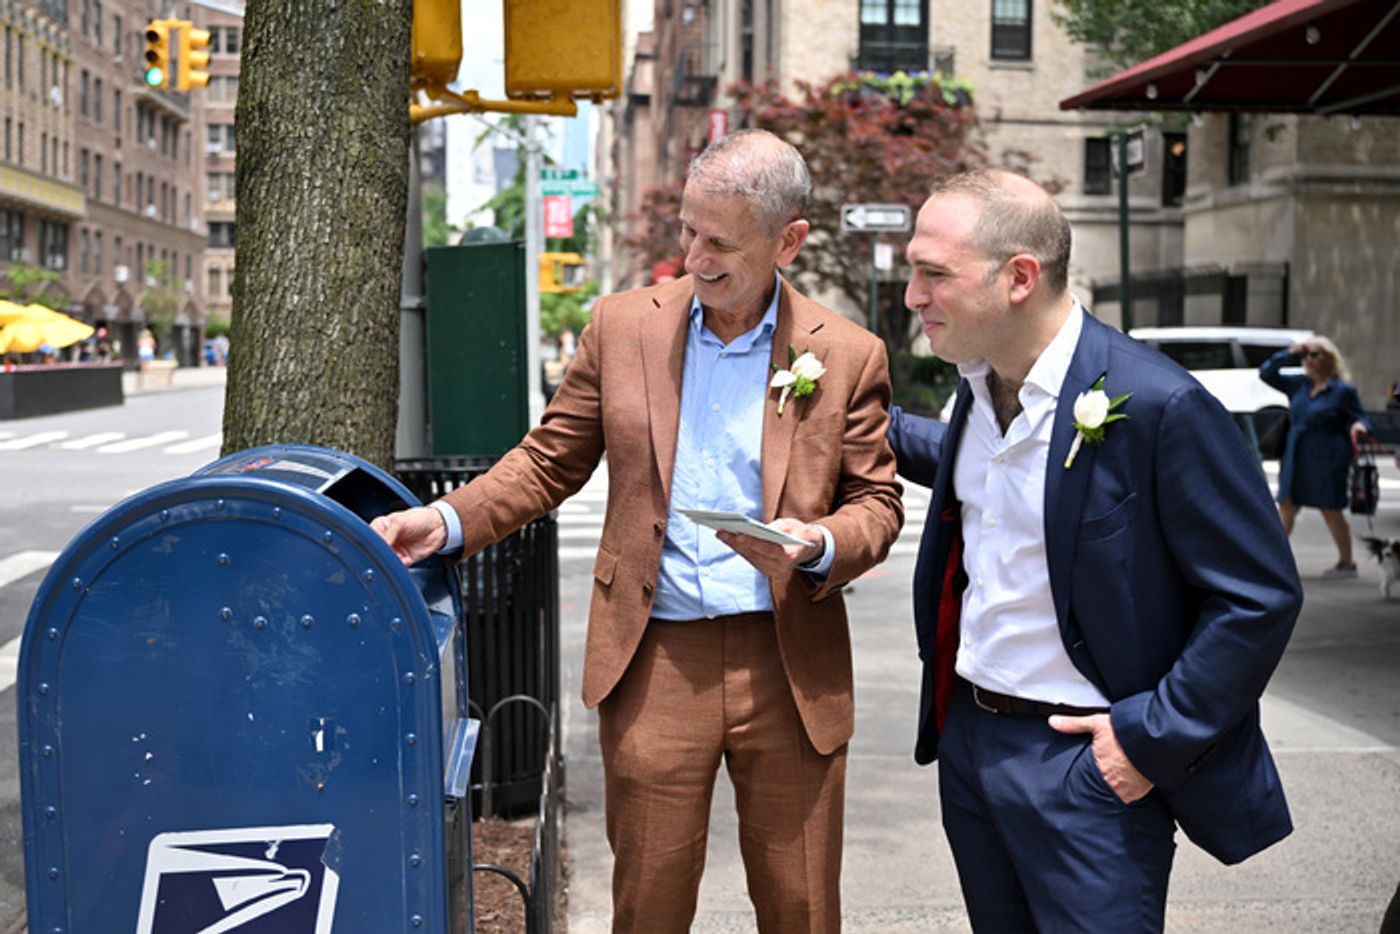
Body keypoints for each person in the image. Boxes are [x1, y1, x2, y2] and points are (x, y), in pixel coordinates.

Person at [372, 129, 903, 933]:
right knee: (649, 904)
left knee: (801, 906)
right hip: (656, 658)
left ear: (788, 240)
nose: (694, 255)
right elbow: (547, 462)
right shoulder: (623, 328)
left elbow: (878, 501)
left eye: (719, 240)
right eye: (687, 230)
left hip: (790, 664)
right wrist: (444, 521)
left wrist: (822, 543)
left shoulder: (850, 354)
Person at [885, 169, 1303, 931]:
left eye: (932, 274)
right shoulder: (976, 390)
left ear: (1019, 277)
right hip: (972, 746)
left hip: (1086, 760)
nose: (912, 295)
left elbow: (1259, 595)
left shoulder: (1158, 405)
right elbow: (965, 463)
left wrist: (1149, 738)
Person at [1260, 336, 1371, 578]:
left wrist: (1359, 426)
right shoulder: (1299, 384)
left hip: (1328, 455)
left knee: (1329, 507)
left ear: (1329, 359)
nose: (1308, 360)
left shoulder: (1343, 390)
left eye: (1314, 354)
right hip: (1297, 453)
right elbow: (1266, 373)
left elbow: (1360, 417)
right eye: (1305, 355)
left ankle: (1346, 562)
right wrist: (1291, 352)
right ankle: (1271, 562)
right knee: (1287, 506)